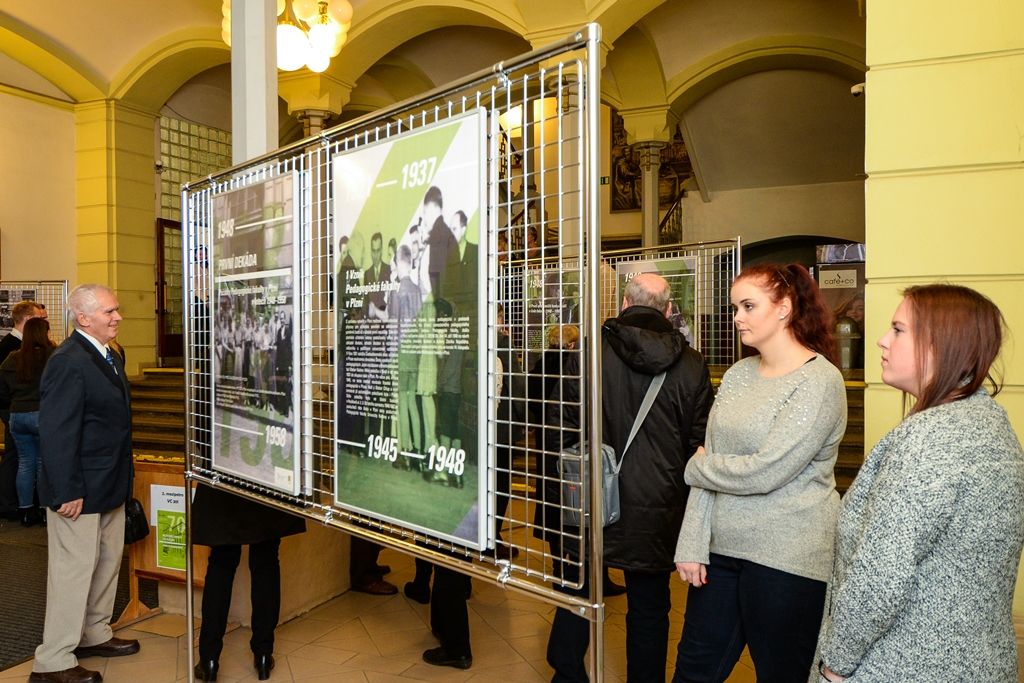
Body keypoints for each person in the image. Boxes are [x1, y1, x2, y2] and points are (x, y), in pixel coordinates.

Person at [815, 285, 1024, 683]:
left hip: (902, 666)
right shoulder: (991, 424)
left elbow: (880, 578)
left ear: (941, 345)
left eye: (898, 330)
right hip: (979, 663)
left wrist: (834, 664)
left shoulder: (927, 439)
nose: (881, 340)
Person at [673, 264, 847, 682]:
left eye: (748, 306)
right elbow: (714, 460)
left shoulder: (820, 381)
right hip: (721, 553)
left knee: (781, 674)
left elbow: (767, 471)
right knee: (692, 671)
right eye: (736, 307)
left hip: (788, 558)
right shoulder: (738, 374)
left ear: (784, 308)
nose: (737, 317)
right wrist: (692, 541)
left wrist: (698, 466)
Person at [547, 273, 714, 683]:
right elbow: (701, 442)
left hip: (591, 496)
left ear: (624, 303)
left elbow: (559, 428)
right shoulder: (692, 364)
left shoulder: (588, 354)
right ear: (669, 310)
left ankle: (567, 675)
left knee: (577, 591)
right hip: (658, 507)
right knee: (650, 609)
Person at [31, 284, 138, 683]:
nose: (118, 317)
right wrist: (67, 490)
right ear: (83, 317)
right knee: (72, 572)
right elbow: (56, 432)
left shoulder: (110, 354)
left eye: (116, 309)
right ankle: (53, 660)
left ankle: (93, 632)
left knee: (107, 563)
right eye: (109, 311)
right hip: (78, 489)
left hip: (109, 483)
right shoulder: (67, 361)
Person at [191, 485, 307, 681]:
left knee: (221, 563)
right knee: (266, 561)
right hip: (264, 481)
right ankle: (263, 654)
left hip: (224, 480)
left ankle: (209, 659)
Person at [0, 317, 55, 526]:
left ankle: (24, 510)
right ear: (44, 333)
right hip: (42, 414)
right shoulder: (52, 356)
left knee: (25, 463)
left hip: (17, 416)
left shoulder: (13, 358)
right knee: (42, 462)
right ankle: (43, 508)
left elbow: (2, 390)